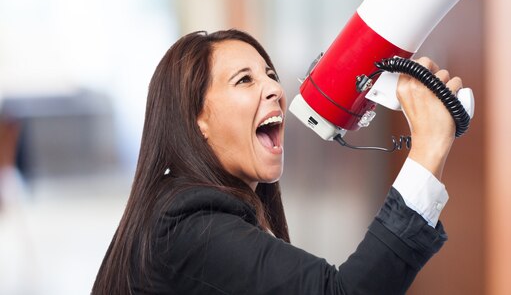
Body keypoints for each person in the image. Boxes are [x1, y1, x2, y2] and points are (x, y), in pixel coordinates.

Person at [93, 29, 464, 294]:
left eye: (270, 75)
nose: (274, 88)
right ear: (197, 121)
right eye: (244, 81)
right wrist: (428, 148)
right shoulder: (189, 225)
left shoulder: (186, 208)